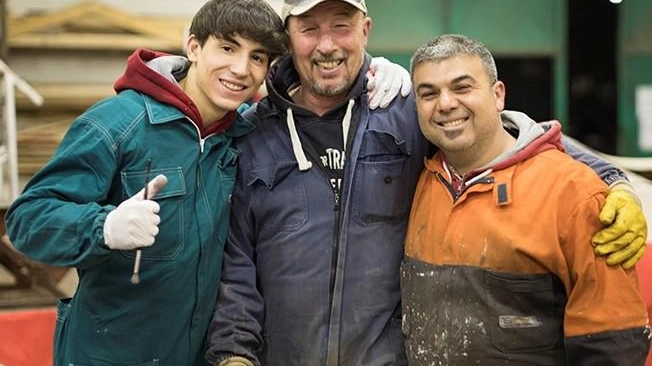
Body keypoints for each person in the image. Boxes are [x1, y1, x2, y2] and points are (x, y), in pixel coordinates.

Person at [205, 1, 648, 366]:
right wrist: (233, 353)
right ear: (288, 36)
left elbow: (511, 139)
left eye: (342, 26)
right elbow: (238, 261)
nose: (326, 44)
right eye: (309, 29)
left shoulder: (406, 112)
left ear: (365, 30)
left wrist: (613, 180)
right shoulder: (253, 134)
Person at [402, 33, 650, 366]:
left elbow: (612, 344)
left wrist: (618, 182)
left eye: (462, 88)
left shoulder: (573, 192)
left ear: (498, 95)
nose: (445, 103)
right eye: (428, 93)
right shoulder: (419, 181)